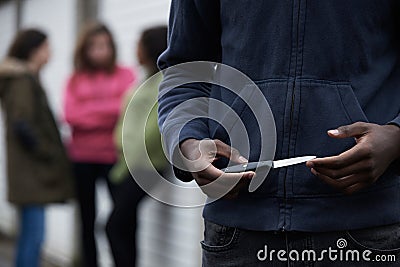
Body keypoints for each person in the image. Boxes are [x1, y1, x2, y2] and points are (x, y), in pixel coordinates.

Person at [157, 1, 400, 266]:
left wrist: (395, 136)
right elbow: (184, 72)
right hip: (237, 232)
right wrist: (188, 143)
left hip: (368, 228)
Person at [63, 22, 136, 267]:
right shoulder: (75, 80)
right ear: (84, 50)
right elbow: (71, 116)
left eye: (104, 45)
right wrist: (108, 111)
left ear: (112, 47)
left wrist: (90, 111)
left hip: (114, 158)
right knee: (87, 219)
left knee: (123, 220)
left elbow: (126, 110)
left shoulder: (126, 74)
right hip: (81, 158)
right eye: (94, 46)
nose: (99, 51)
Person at [0, 29, 74, 267]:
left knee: (29, 236)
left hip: (26, 170)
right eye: (46, 47)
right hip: (31, 172)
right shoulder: (22, 80)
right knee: (33, 236)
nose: (50, 53)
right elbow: (23, 124)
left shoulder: (22, 78)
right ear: (34, 50)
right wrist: (48, 151)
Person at [106, 25, 168, 267]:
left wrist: (134, 151)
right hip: (125, 166)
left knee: (113, 226)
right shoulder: (144, 78)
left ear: (151, 47)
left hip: (145, 167)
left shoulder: (163, 81)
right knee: (126, 226)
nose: (135, 50)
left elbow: (156, 127)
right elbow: (127, 119)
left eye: (139, 44)